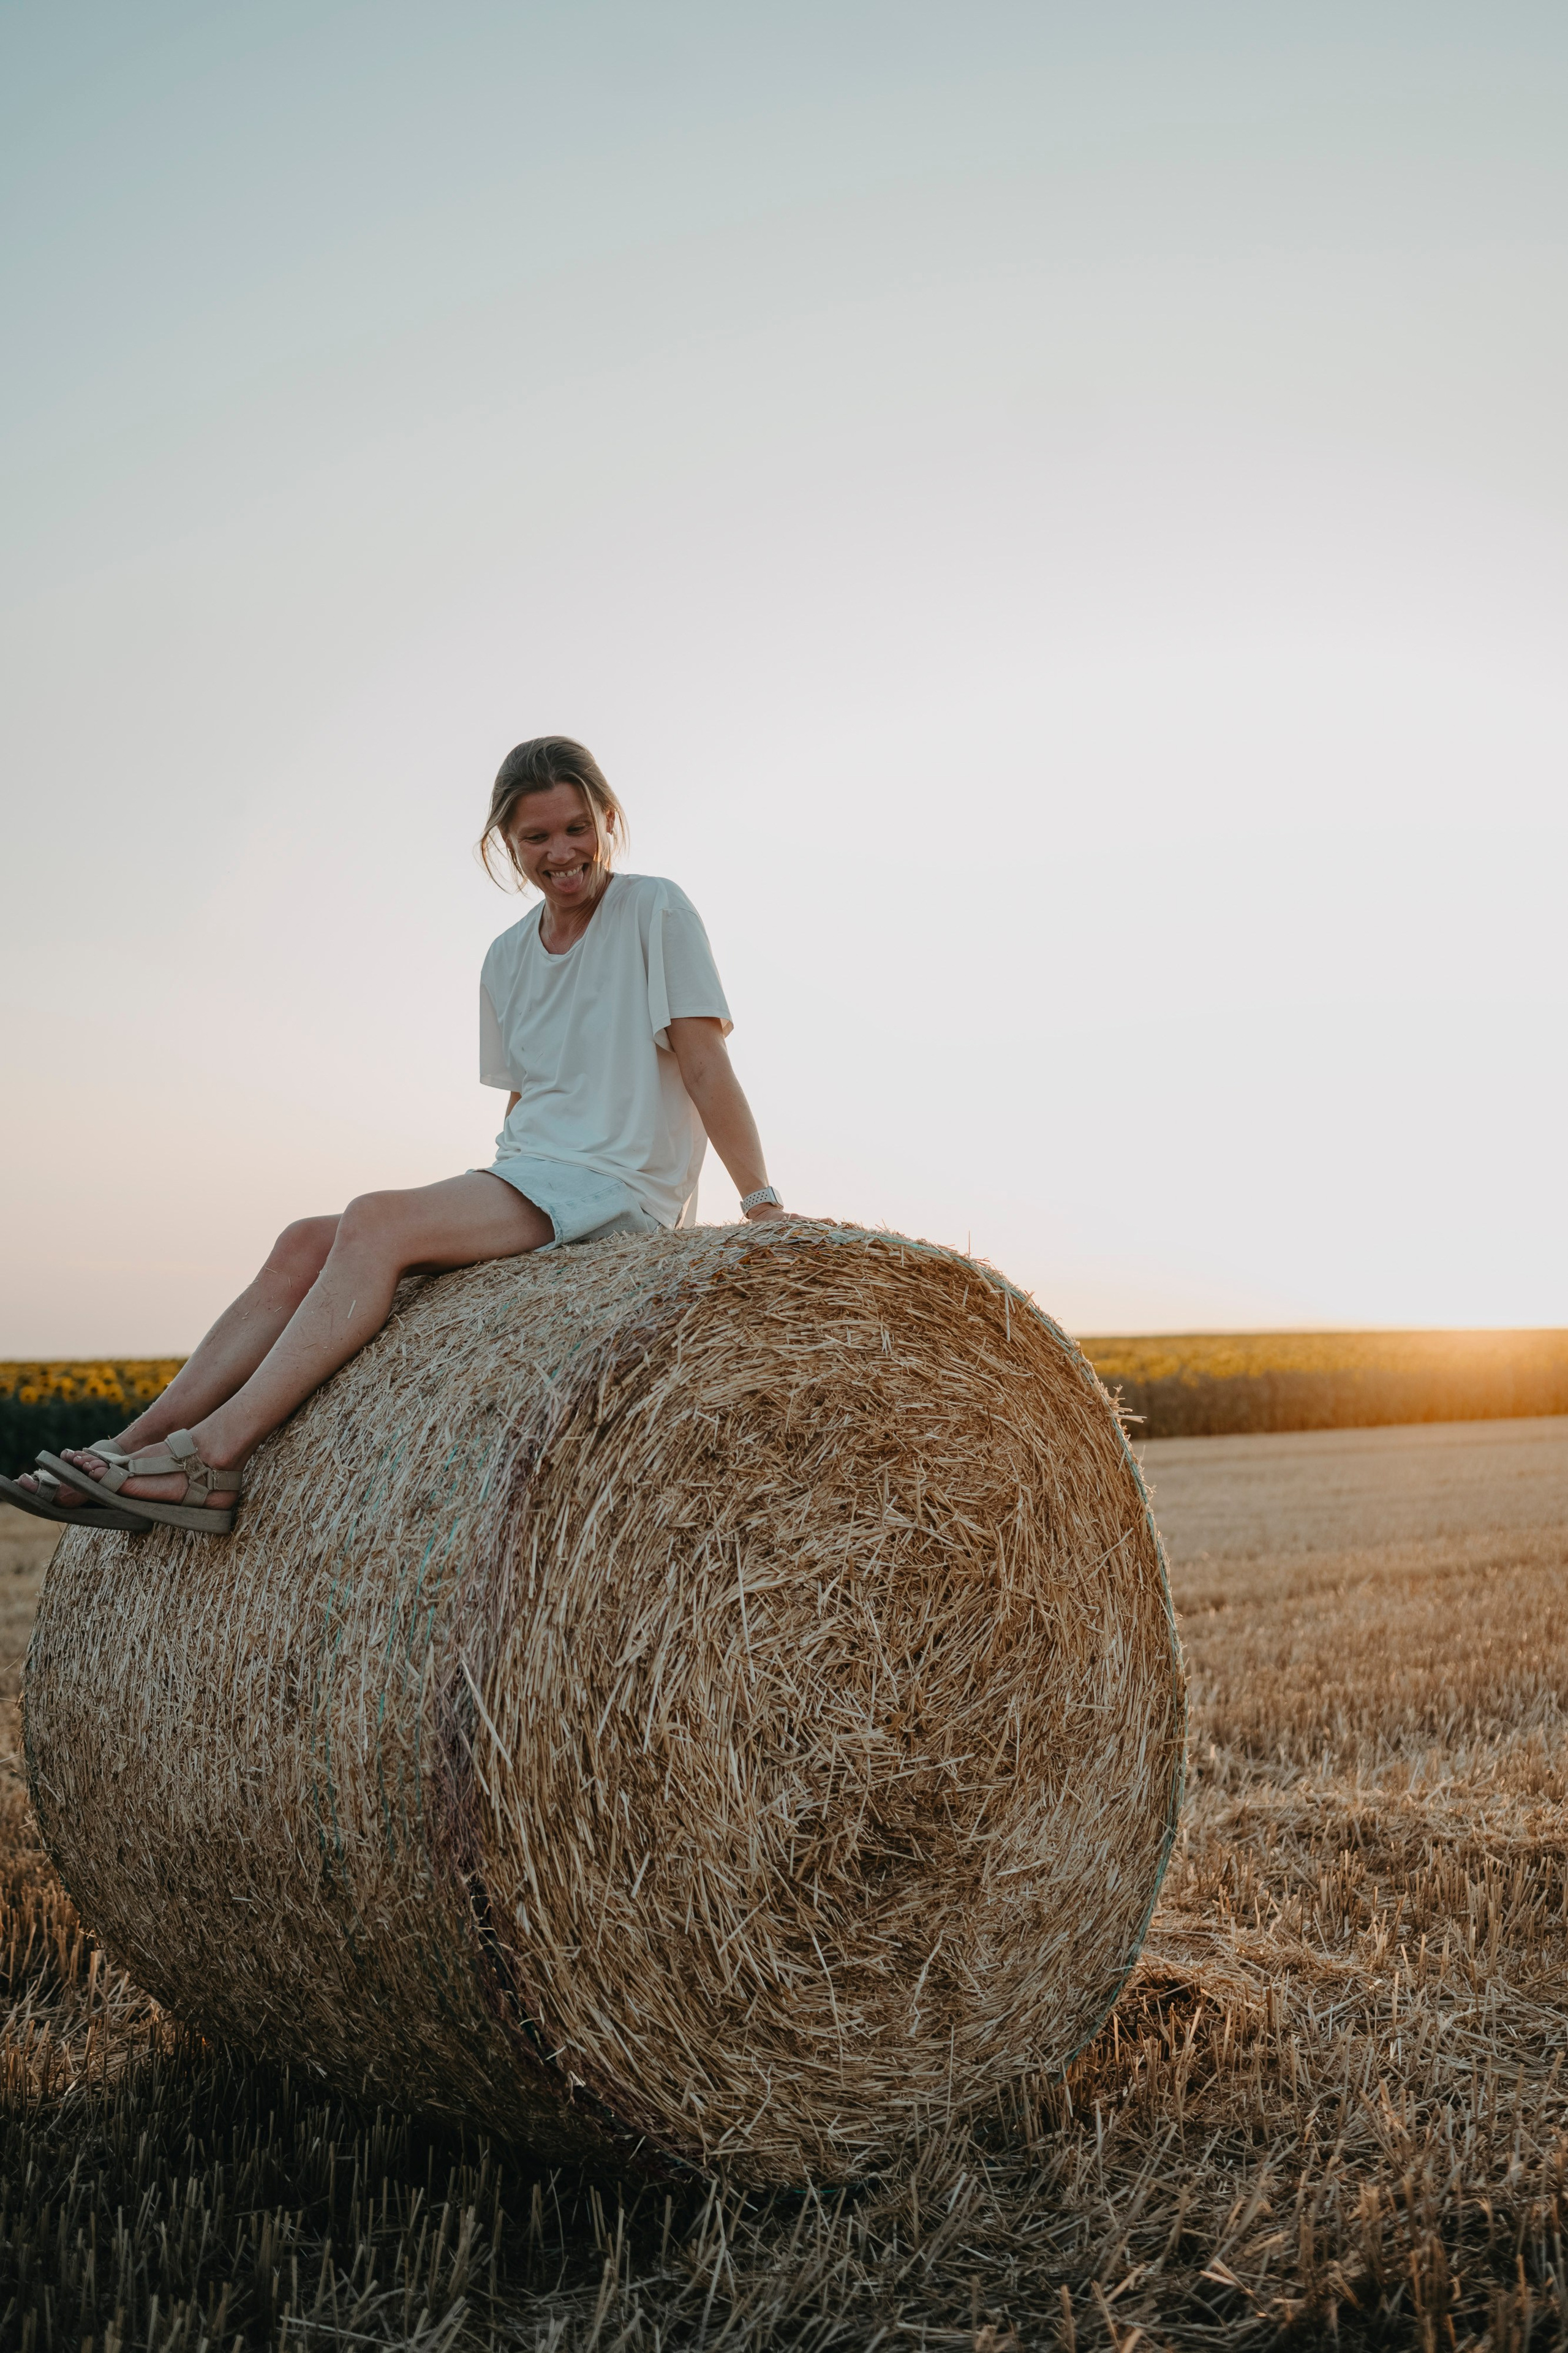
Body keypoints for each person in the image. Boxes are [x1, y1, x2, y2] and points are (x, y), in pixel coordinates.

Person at [17, 736, 787, 1538]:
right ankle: (126, 1447)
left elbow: (705, 1067)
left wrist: (760, 1203)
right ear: (506, 843)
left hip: (620, 1183)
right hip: (534, 1173)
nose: (563, 853)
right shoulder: (505, 959)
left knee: (376, 1217)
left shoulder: (655, 909)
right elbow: (531, 1102)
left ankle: (211, 1456)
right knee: (302, 1242)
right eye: (537, 837)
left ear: (607, 819)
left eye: (577, 828)